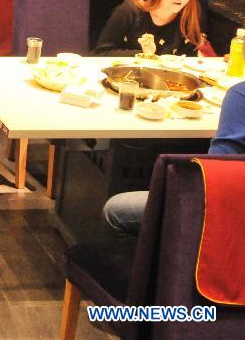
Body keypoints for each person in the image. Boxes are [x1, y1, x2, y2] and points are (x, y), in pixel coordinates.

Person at [103, 80, 245, 235]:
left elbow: (217, 177)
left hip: (228, 216)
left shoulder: (240, 94)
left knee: (117, 209)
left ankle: (159, 256)